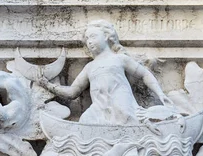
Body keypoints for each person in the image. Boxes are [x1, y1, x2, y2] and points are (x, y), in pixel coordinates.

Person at [39, 20, 173, 125]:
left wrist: (161, 94)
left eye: (93, 36)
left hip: (122, 105)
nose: (89, 41)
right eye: (87, 38)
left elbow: (144, 74)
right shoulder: (90, 67)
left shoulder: (120, 59)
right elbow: (73, 92)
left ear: (107, 36)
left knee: (125, 119)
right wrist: (48, 85)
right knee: (85, 120)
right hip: (98, 109)